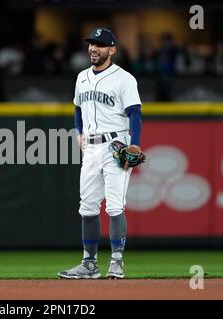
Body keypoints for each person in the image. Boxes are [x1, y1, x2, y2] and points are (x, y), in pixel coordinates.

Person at [58, 28, 143, 279]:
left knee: (115, 206)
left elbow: (135, 113)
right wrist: (78, 131)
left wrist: (134, 144)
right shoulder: (82, 77)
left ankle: (116, 262)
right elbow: (77, 108)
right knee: (87, 208)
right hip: (91, 148)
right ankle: (89, 264)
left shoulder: (124, 79)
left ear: (112, 50)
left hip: (116, 146)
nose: (94, 48)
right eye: (92, 44)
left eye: (100, 44)